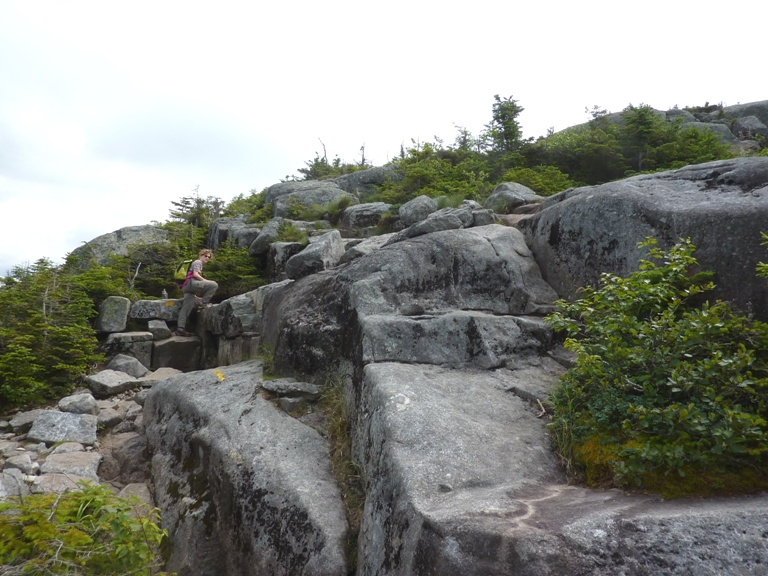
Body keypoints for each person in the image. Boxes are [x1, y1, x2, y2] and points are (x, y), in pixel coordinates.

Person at [176, 249, 218, 337]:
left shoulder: (195, 263)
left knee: (186, 307)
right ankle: (202, 303)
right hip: (191, 283)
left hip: (186, 287)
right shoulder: (198, 262)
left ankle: (180, 328)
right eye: (205, 256)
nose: (207, 258)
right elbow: (195, 275)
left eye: (209, 257)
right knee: (213, 285)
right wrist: (207, 281)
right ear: (201, 255)